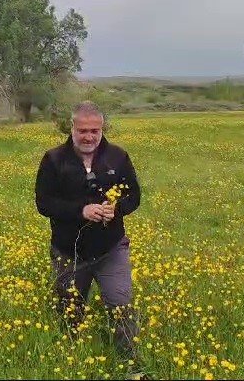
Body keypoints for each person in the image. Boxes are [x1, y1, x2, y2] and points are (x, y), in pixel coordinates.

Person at [34, 100, 142, 362]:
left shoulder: (118, 156)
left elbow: (134, 196)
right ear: (72, 128)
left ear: (102, 129)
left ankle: (131, 363)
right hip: (68, 251)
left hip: (110, 249)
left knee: (121, 305)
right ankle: (71, 359)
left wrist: (117, 209)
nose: (89, 136)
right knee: (69, 309)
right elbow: (44, 203)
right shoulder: (53, 159)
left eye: (95, 130)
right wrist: (81, 211)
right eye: (83, 130)